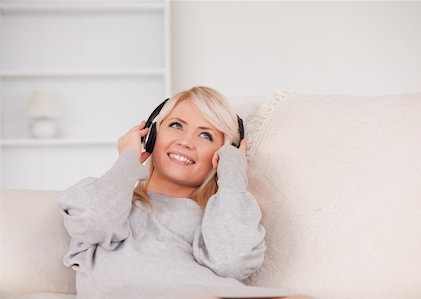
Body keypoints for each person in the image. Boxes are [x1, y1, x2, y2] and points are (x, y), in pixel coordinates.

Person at [60, 86, 304, 299]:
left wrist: (232, 176)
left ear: (220, 155)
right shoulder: (105, 197)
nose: (186, 141)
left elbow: (232, 262)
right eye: (176, 125)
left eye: (205, 135)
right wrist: (128, 159)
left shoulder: (217, 216)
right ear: (151, 136)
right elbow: (91, 223)